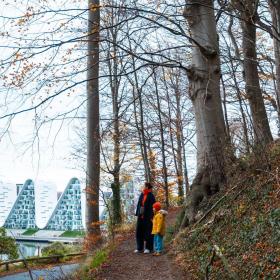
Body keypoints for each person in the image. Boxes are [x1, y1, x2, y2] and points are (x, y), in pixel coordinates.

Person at [134, 182, 156, 253]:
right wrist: (138, 214)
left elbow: (152, 207)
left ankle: (148, 248)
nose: (142, 187)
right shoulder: (142, 194)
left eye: (144, 186)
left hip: (148, 217)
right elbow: (139, 204)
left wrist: (151, 216)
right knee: (139, 231)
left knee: (148, 232)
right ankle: (139, 248)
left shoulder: (151, 196)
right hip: (141, 216)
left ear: (147, 187)